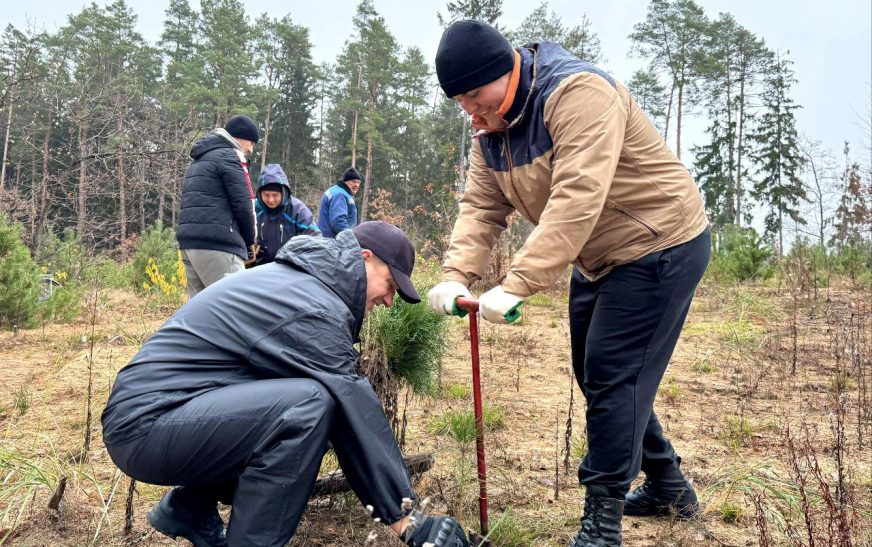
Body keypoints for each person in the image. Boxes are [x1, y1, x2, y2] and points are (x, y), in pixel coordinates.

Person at [427, 20, 711, 547]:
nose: (470, 109)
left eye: (474, 94)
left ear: (505, 70)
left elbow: (578, 197)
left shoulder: (578, 93)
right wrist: (455, 275)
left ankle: (602, 524)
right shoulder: (489, 129)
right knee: (595, 371)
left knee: (613, 374)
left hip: (660, 242)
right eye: (459, 101)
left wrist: (517, 283)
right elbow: (482, 207)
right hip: (597, 254)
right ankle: (670, 487)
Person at [102, 221, 469, 547]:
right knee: (309, 407)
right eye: (390, 284)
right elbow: (353, 405)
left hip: (167, 414)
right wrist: (407, 518)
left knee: (312, 406)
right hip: (147, 423)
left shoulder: (301, 284)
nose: (389, 301)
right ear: (365, 257)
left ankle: (193, 506)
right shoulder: (314, 305)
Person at [176, 115, 259, 298]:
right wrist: (249, 242)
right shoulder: (231, 155)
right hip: (219, 245)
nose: (250, 149)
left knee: (199, 314)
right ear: (240, 137)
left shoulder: (199, 158)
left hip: (189, 244)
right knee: (235, 309)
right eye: (251, 143)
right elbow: (244, 204)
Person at [254, 163, 320, 265]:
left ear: (283, 193)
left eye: (275, 195)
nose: (270, 200)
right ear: (259, 193)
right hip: (259, 265)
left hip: (289, 266)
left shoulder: (298, 210)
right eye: (266, 195)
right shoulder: (253, 209)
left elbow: (316, 238)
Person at [318, 167, 361, 237]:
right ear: (345, 181)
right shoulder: (340, 194)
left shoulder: (338, 191)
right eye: (353, 181)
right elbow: (338, 222)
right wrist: (351, 239)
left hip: (330, 241)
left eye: (358, 182)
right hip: (334, 242)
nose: (357, 185)